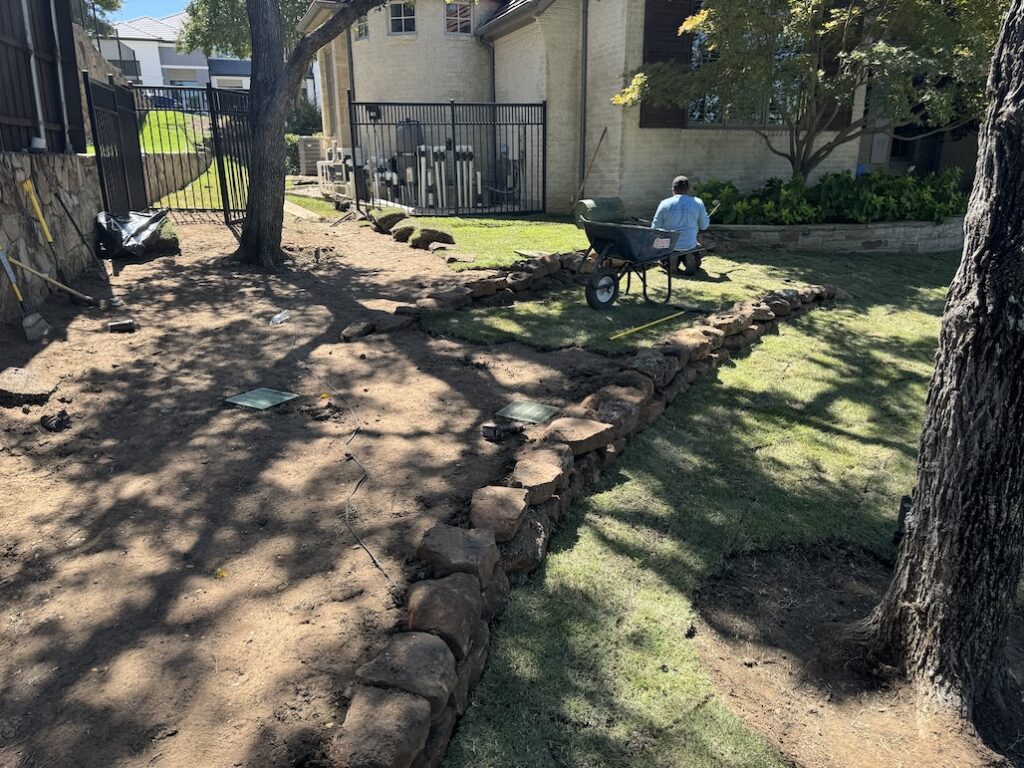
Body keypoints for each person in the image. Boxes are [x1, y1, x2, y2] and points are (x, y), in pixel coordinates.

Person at [651, 175, 710, 251]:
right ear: (688, 189)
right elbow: (704, 226)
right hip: (690, 245)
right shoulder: (698, 202)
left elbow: (655, 228)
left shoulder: (664, 203)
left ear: (673, 189)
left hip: (670, 246)